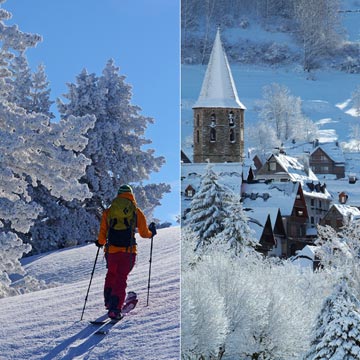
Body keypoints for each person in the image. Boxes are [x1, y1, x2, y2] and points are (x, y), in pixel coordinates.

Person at [95, 184, 156, 319]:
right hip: (128, 252)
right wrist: (152, 233)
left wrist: (100, 242)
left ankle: (109, 302)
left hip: (111, 252)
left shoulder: (109, 211)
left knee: (111, 274)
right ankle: (115, 309)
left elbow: (102, 233)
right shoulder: (135, 211)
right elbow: (144, 233)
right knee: (121, 278)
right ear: (131, 195)